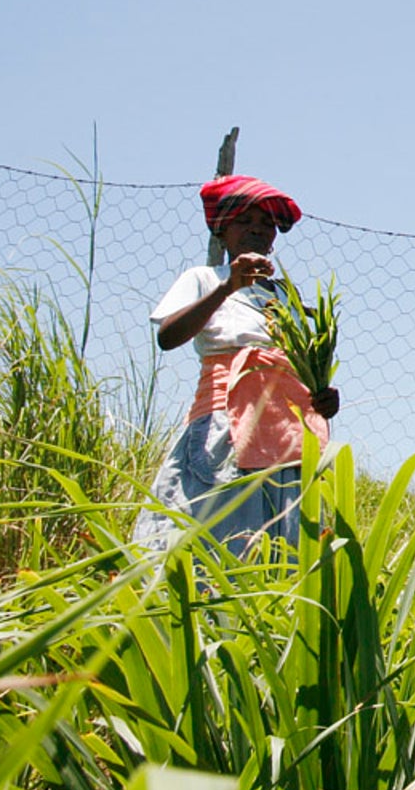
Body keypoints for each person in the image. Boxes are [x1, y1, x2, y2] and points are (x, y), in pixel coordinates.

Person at [135, 174, 340, 553]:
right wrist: (228, 287)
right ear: (222, 232)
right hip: (224, 427)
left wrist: (323, 397)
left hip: (286, 436)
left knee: (283, 543)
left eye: (266, 224)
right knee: (216, 536)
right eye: (244, 222)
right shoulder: (205, 279)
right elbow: (168, 337)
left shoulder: (284, 295)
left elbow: (300, 366)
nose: (256, 231)